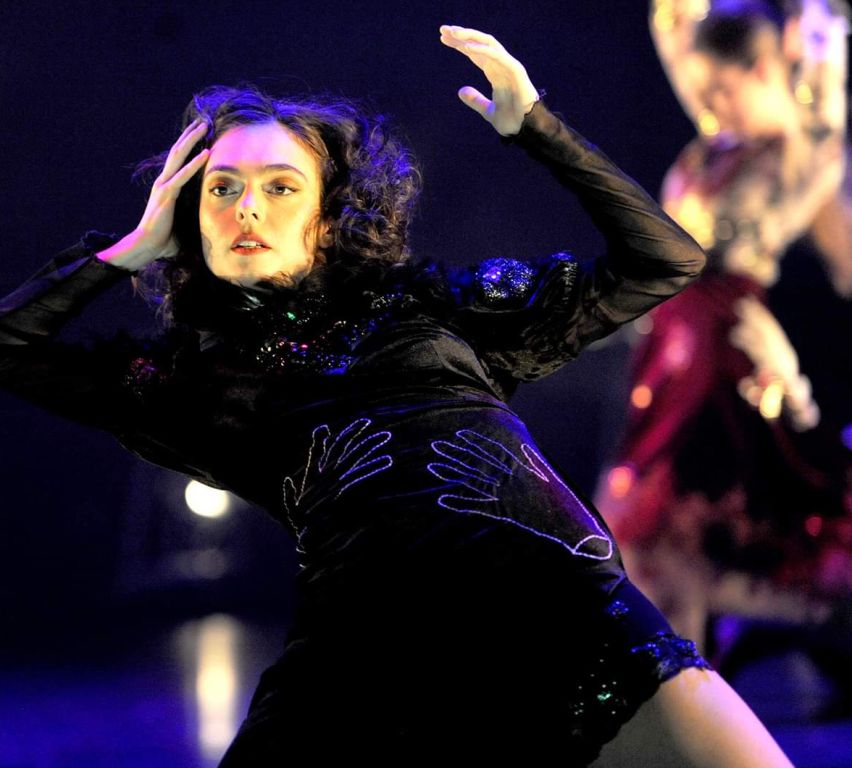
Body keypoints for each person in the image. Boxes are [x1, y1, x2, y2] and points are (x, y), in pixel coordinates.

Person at [0, 24, 794, 766]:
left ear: (327, 219)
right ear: (189, 216)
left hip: (571, 622)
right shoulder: (191, 385)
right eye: (222, 188)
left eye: (281, 186)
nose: (247, 205)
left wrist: (538, 129)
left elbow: (664, 262)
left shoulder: (431, 305)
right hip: (361, 671)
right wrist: (125, 251)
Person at [596, 0, 852, 664]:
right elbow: (676, 36)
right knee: (645, 544)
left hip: (724, 352)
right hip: (671, 354)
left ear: (764, 69)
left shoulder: (796, 154)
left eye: (721, 89)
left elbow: (824, 82)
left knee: (688, 529)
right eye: (701, 90)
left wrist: (818, 19)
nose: (706, 104)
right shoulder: (715, 146)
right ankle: (679, 686)